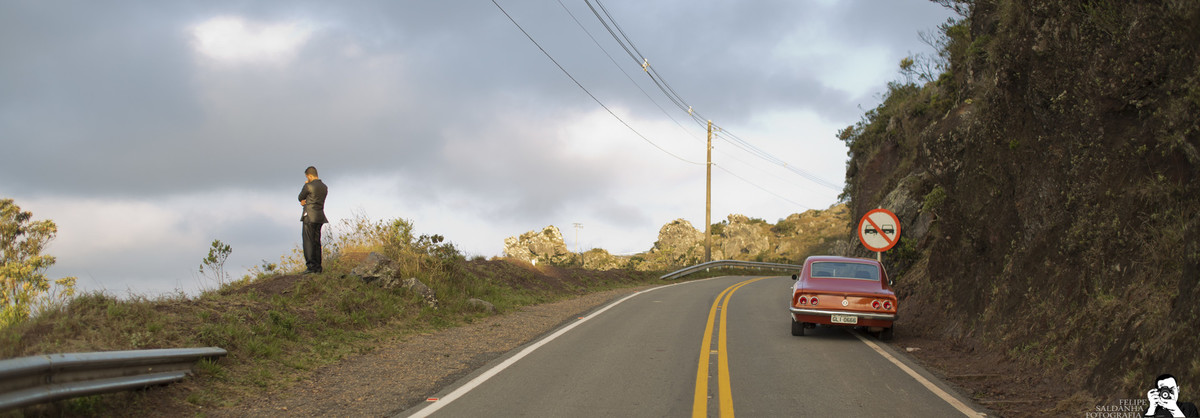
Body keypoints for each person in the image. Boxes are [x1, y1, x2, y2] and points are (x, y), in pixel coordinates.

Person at [298, 166, 328, 274]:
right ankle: (318, 267)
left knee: (308, 242)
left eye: (307, 177)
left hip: (309, 216)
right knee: (316, 242)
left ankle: (311, 267)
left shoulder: (308, 186)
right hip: (320, 217)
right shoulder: (324, 187)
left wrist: (306, 185)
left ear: (309, 176)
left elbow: (300, 197)